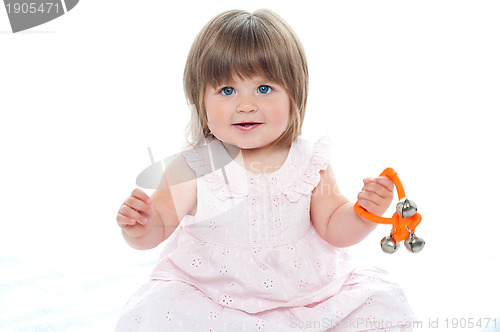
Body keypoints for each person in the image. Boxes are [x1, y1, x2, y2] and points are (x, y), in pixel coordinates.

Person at [115, 9, 416, 331]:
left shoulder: (307, 159)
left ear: (294, 95)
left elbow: (333, 228)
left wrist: (362, 213)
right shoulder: (196, 164)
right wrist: (140, 226)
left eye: (264, 89)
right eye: (227, 91)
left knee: (379, 302)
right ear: (199, 100)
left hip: (306, 294)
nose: (246, 105)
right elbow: (158, 225)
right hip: (213, 295)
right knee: (165, 309)